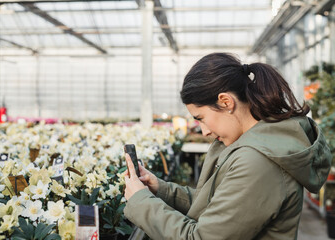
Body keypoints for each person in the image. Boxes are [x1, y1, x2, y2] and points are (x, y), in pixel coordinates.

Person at [123, 53, 332, 239]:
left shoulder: (259, 162)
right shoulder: (254, 144)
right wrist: (161, 189)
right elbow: (217, 205)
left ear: (225, 102)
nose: (204, 131)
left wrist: (141, 202)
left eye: (201, 118)